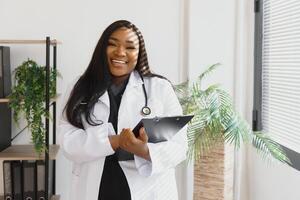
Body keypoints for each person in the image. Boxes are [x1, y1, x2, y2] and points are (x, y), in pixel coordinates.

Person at [59, 20, 187, 200]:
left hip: (148, 188)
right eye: (112, 44)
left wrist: (143, 150)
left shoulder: (160, 88)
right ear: (102, 48)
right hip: (96, 187)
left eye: (130, 47)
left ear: (139, 54)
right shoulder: (80, 87)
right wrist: (115, 141)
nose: (120, 52)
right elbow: (67, 142)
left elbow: (179, 147)